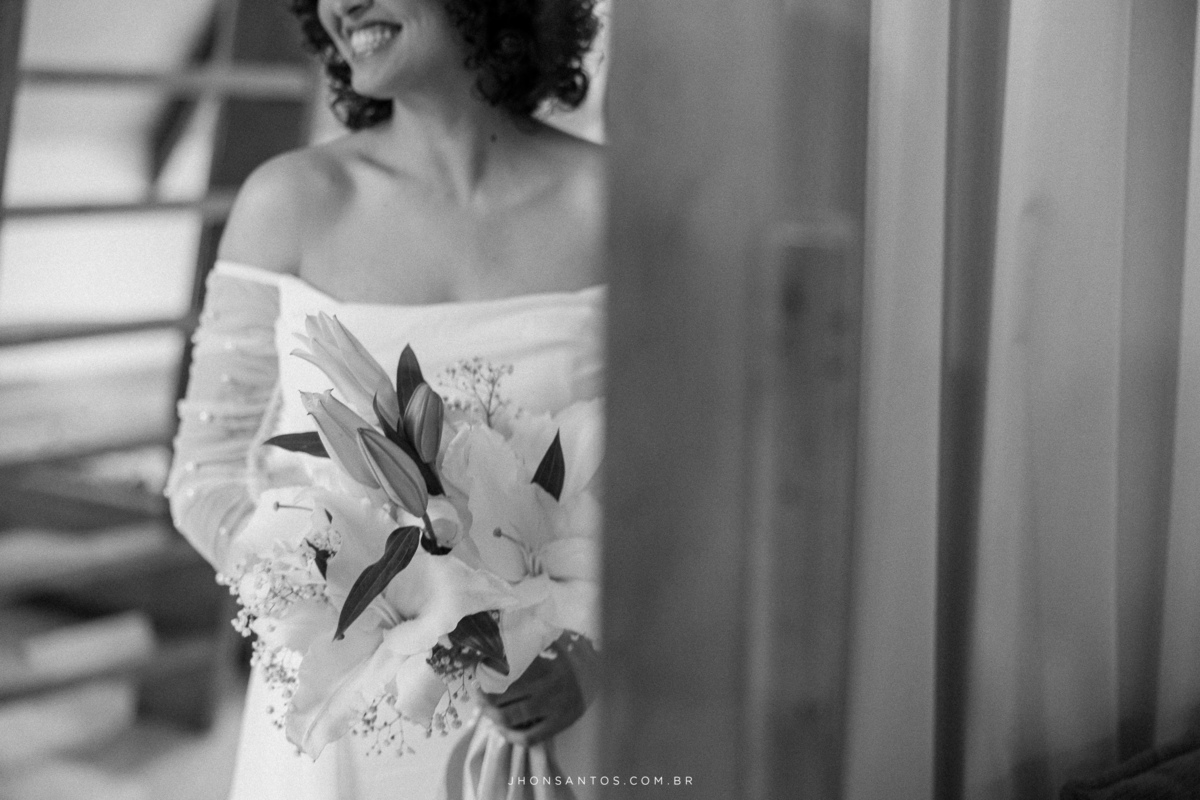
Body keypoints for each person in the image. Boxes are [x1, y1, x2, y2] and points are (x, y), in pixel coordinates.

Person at [166, 0, 605, 796]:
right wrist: (348, 610)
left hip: (560, 713)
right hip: (346, 730)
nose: (342, 5)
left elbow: (683, 485)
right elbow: (207, 478)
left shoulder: (610, 202)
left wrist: (591, 648)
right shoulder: (289, 201)